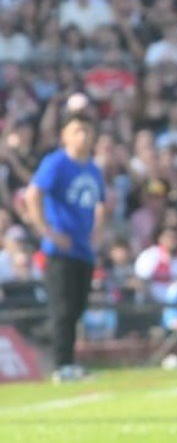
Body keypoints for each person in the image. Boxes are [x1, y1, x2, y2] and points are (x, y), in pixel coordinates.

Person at [21, 110, 106, 383]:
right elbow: (33, 194)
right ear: (64, 136)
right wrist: (46, 230)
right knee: (64, 309)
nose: (83, 136)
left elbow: (100, 203)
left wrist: (97, 232)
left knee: (77, 309)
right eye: (76, 130)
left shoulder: (92, 168)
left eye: (87, 130)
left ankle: (61, 356)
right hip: (59, 251)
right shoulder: (56, 163)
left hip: (83, 249)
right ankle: (62, 365)